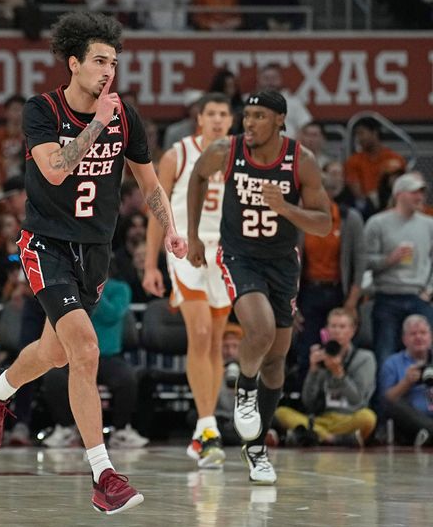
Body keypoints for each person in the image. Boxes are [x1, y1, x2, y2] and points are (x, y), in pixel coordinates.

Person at [0, 12, 186, 515]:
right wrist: (95, 127)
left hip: (94, 252)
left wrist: (171, 228)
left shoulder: (125, 116)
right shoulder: (41, 110)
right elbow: (54, 168)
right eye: (98, 60)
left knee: (56, 354)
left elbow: (150, 185)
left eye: (113, 61)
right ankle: (103, 474)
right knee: (86, 348)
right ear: (74, 63)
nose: (108, 70)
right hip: (45, 245)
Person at [186, 90, 331, 484]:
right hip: (239, 257)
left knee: (276, 359)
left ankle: (257, 449)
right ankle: (243, 389)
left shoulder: (302, 160)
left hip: (283, 264)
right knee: (261, 330)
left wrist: (287, 208)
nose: (249, 123)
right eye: (246, 115)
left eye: (259, 116)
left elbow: (324, 223)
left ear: (280, 121)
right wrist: (194, 235)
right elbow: (197, 178)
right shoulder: (225, 150)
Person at [143, 92, 234, 469]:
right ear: (199, 119)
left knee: (214, 341)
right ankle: (209, 426)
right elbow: (156, 209)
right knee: (197, 335)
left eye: (223, 114)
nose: (216, 119)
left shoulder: (238, 156)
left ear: (231, 121)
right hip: (185, 247)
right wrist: (150, 264)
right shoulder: (177, 154)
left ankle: (202, 430)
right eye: (210, 113)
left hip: (224, 254)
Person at [41, 260, 149, 449]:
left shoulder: (120, 289)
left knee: (127, 379)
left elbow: (112, 314)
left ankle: (121, 430)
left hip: (108, 355)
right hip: (73, 353)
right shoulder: (71, 288)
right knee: (53, 377)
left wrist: (93, 289)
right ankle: (66, 428)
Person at [293, 166, 366, 386]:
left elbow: (359, 263)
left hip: (339, 293)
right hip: (308, 292)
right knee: (308, 348)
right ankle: (307, 404)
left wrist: (352, 303)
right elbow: (288, 261)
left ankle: (341, 399)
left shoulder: (349, 218)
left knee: (341, 346)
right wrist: (292, 304)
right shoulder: (298, 220)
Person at [275, 308, 377, 447]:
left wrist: (339, 374)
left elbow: (358, 400)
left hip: (350, 418)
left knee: (368, 417)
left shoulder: (364, 358)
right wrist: (313, 370)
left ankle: (314, 436)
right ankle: (333, 439)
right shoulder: (321, 356)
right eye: (333, 326)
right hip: (321, 419)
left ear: (352, 331)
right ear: (327, 330)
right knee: (281, 413)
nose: (337, 331)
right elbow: (308, 402)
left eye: (342, 326)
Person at [364, 172, 433, 366]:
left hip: (419, 296)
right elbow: (364, 262)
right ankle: (385, 396)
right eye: (414, 193)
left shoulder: (429, 224)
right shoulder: (377, 223)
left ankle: (425, 395)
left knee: (426, 354)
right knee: (385, 352)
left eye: (422, 193)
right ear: (399, 194)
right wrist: (389, 260)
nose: (420, 198)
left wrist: (430, 290)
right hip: (387, 296)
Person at [379, 314, 433, 447]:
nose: (419, 337)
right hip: (411, 419)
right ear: (404, 339)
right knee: (392, 404)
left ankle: (429, 434)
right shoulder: (392, 363)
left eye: (423, 333)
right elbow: (387, 400)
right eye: (413, 334)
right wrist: (406, 382)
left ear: (430, 337)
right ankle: (428, 431)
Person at [345, 117, 406, 214]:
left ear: (374, 133)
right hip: (366, 208)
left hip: (393, 205)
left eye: (361, 133)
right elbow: (357, 194)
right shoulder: (353, 161)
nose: (359, 138)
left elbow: (402, 187)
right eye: (357, 134)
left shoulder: (394, 158)